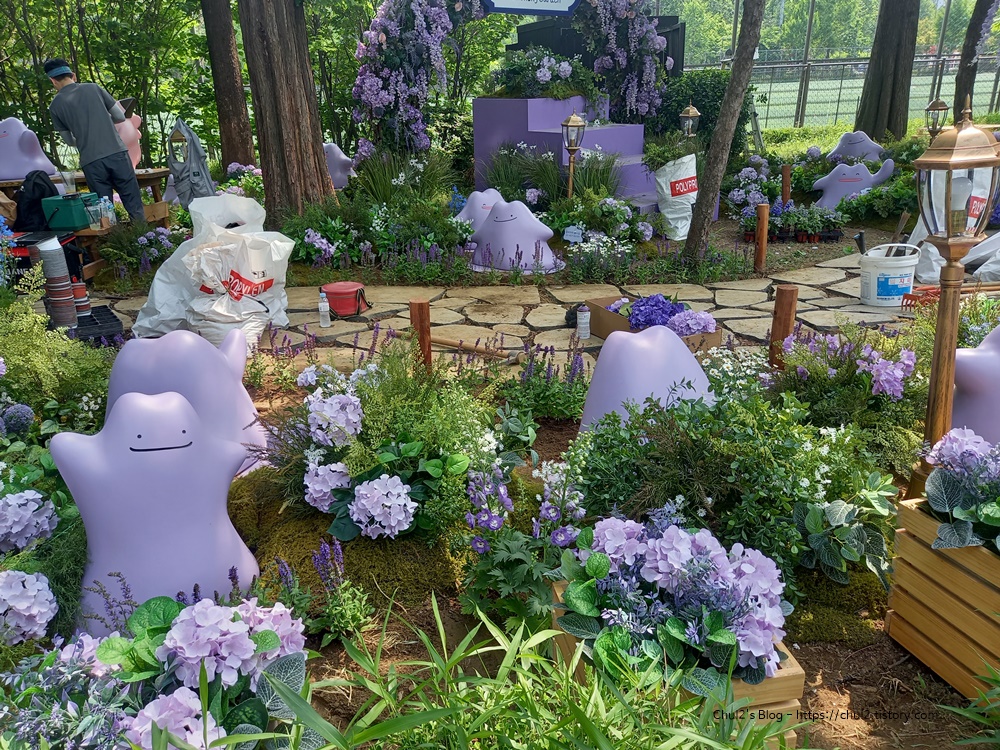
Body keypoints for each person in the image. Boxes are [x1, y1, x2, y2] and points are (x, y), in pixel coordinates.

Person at [43, 58, 146, 224]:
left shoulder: (55, 106)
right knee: (133, 204)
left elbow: (69, 141)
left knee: (104, 211)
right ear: (73, 75)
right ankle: (143, 236)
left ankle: (112, 238)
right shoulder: (93, 88)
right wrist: (104, 122)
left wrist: (84, 135)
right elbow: (120, 117)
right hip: (117, 153)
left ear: (52, 81)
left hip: (91, 162)